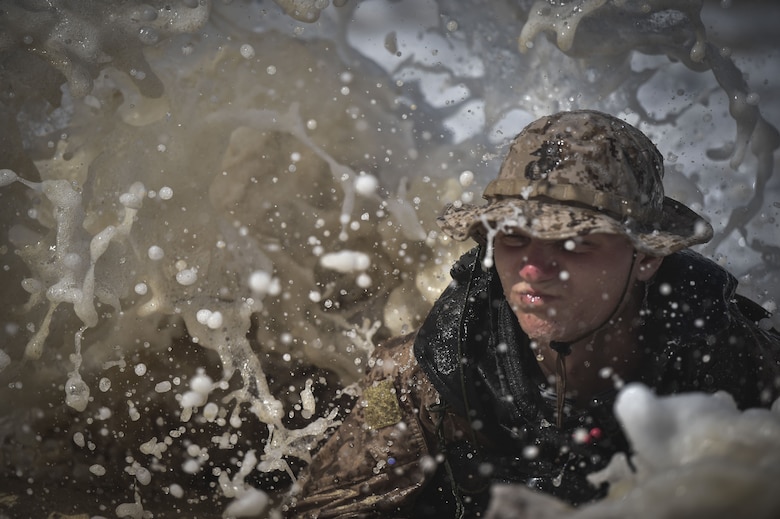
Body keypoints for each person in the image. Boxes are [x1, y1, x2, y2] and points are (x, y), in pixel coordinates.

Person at [285, 110, 780, 518]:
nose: (534, 269)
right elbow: (326, 506)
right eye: (514, 239)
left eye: (574, 242)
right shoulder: (414, 377)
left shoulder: (730, 358)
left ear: (646, 256)